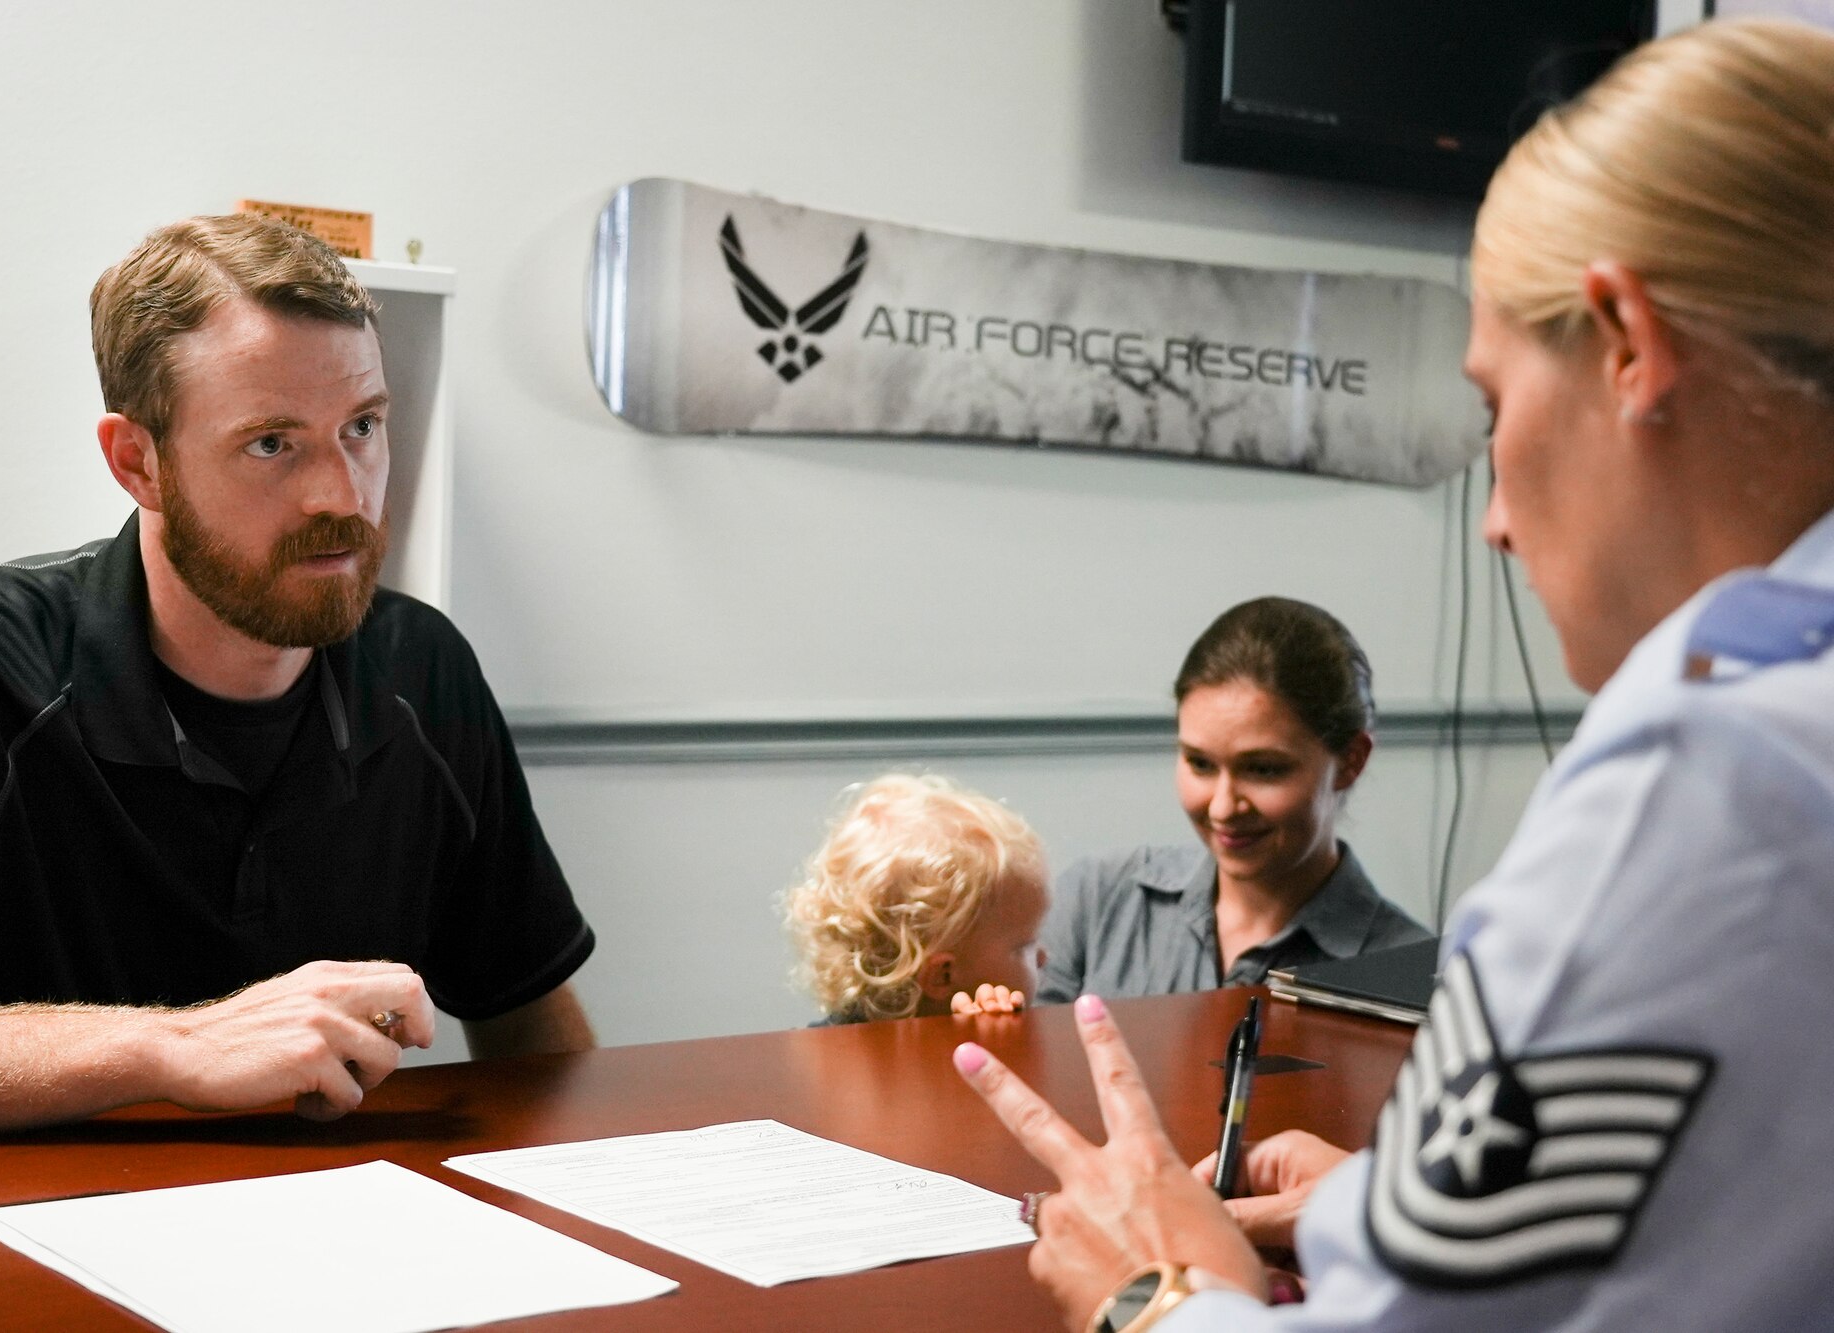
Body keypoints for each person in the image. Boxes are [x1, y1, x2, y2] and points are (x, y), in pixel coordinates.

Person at [954, 17, 1834, 1329]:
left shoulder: (1713, 766)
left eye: (1494, 410)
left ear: (1626, 342)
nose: (1495, 517)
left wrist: (1148, 1288)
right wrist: (1395, 1207)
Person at [0, 214, 595, 1139]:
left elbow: (527, 1018)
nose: (343, 496)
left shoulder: (421, 668)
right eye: (272, 443)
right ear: (137, 462)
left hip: (359, 1246)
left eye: (362, 426)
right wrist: (167, 1049)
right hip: (15, 1246)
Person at [1038, 597, 1429, 1005]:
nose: (1223, 808)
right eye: (1200, 764)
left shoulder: (1409, 973)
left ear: (1351, 761)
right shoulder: (1101, 900)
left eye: (1263, 769)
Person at [783, 774, 1048, 1024]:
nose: (1044, 957)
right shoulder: (836, 1063)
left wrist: (998, 1040)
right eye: (1024, 945)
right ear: (942, 975)